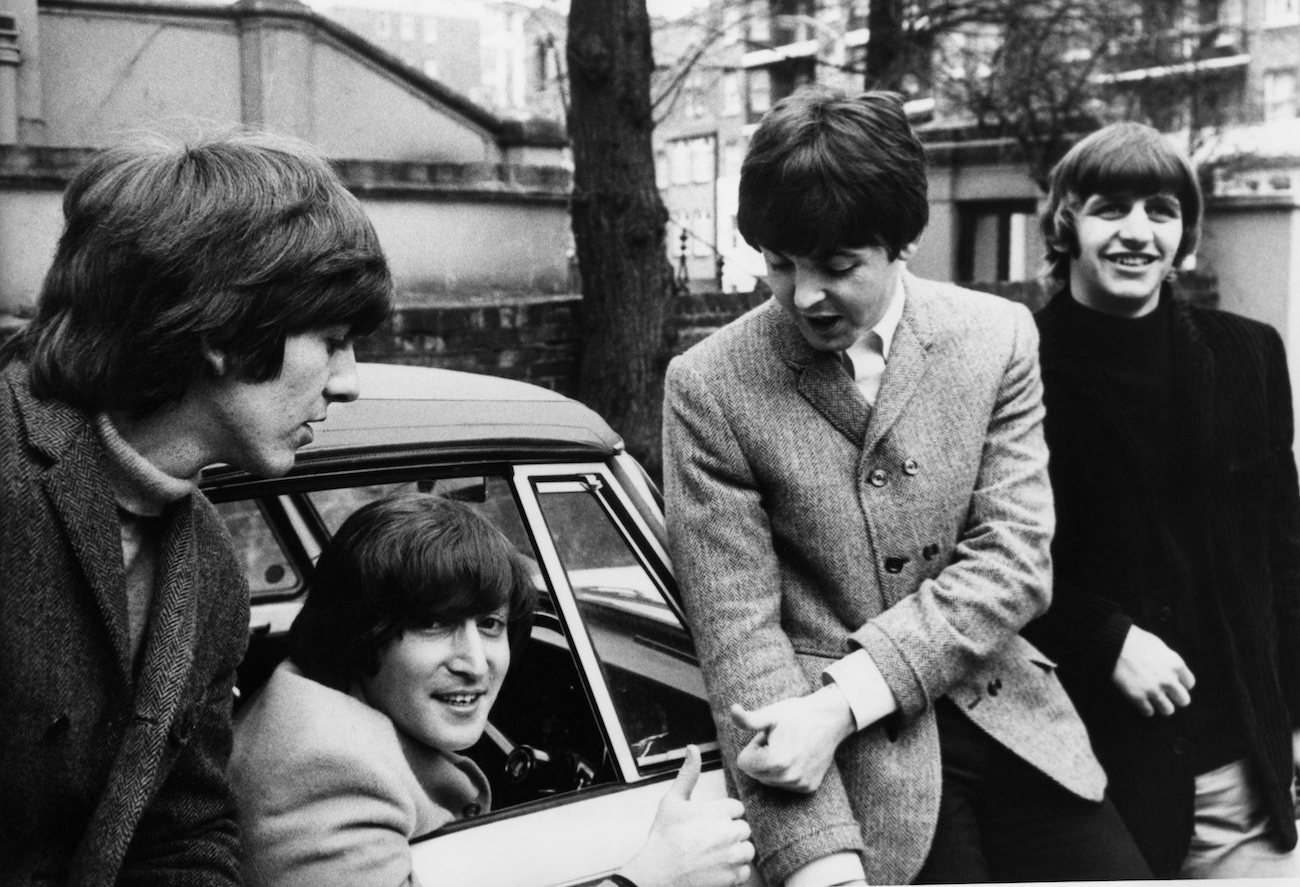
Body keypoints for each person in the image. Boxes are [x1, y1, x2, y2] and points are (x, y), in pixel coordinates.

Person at [662, 86, 1152, 886]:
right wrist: (814, 856)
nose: (805, 295)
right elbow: (741, 641)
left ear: (904, 242)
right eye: (780, 264)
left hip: (1013, 723)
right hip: (855, 779)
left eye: (838, 265)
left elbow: (1015, 563)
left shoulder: (996, 337)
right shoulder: (708, 385)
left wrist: (843, 699)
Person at [0, 132, 394, 886]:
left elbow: (183, 835)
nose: (347, 382)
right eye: (334, 339)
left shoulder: (210, 571)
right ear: (223, 328)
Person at [1024, 120, 1300, 878]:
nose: (1138, 232)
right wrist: (1100, 635)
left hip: (1238, 778)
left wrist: (1294, 725)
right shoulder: (1009, 366)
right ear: (1065, 222)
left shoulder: (1249, 355)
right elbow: (972, 557)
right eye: (1111, 208)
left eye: (1162, 210)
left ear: (1185, 234)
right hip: (1082, 781)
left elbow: (1283, 553)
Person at [230, 492, 755, 887]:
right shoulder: (324, 773)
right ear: (360, 631)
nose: (475, 664)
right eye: (435, 625)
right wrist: (647, 878)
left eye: (490, 624)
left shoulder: (310, 698)